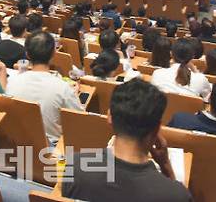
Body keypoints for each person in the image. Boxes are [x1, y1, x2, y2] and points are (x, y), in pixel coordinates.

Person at [63, 78, 192, 202]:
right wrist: (165, 166)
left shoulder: (75, 166)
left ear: (109, 117)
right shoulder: (175, 194)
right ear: (157, 129)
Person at [6, 31, 83, 145]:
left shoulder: (11, 81)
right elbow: (80, 119)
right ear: (54, 53)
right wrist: (74, 95)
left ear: (27, 54)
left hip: (18, 143)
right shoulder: (63, 88)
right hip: (51, 147)